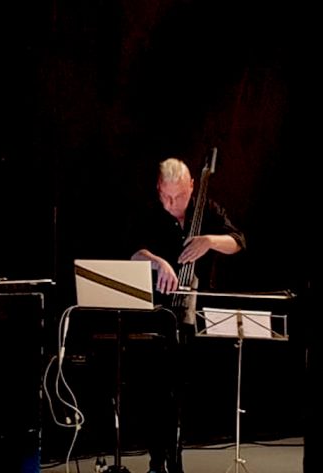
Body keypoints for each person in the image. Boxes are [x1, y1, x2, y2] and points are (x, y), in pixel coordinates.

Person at [128, 156, 246, 473]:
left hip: (194, 314)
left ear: (193, 186)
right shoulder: (150, 213)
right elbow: (133, 251)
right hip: (156, 312)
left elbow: (238, 241)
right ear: (158, 188)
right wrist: (157, 262)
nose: (172, 203)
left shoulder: (208, 210)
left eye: (179, 196)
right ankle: (158, 459)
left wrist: (209, 241)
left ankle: (175, 455)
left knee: (183, 392)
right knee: (157, 391)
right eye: (166, 196)